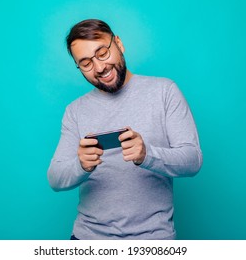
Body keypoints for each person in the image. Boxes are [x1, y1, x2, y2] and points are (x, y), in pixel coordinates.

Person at [47, 19, 202, 240]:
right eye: (86, 63)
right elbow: (55, 178)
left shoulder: (164, 91)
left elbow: (193, 160)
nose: (99, 68)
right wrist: (80, 165)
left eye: (102, 53)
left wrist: (148, 155)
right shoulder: (75, 111)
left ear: (118, 43)